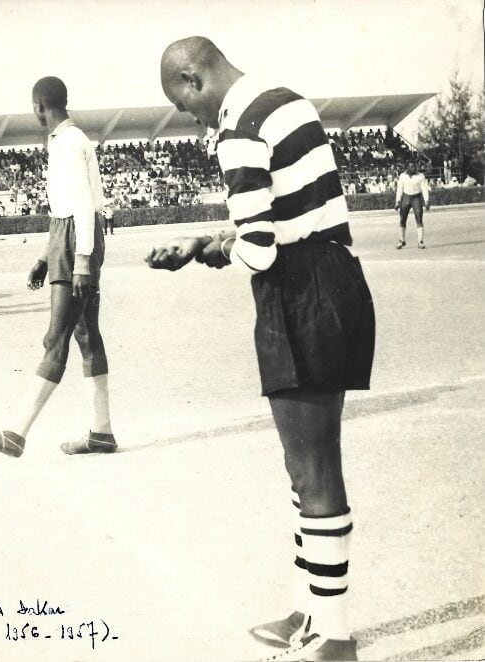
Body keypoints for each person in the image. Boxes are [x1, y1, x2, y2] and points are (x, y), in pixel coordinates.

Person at [152, 37, 375, 662]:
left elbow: (259, 247)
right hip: (335, 278)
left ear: (194, 80)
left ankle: (334, 640)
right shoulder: (285, 101)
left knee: (314, 472)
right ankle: (311, 612)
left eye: (188, 108)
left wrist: (211, 252)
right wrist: (207, 240)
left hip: (300, 293)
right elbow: (286, 217)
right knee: (304, 468)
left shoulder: (238, 129)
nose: (196, 123)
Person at [0, 76, 113, 459]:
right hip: (67, 238)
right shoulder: (68, 141)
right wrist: (44, 256)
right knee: (86, 336)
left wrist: (81, 258)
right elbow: (65, 208)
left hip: (76, 240)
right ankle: (101, 432)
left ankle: (16, 434)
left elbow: (82, 203)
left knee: (56, 338)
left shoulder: (67, 143)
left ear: (38, 105)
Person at [394, 162, 429, 249]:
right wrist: (397, 201)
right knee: (402, 219)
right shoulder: (402, 176)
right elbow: (400, 189)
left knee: (419, 219)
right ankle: (401, 240)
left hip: (416, 198)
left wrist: (426, 200)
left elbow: (424, 188)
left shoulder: (421, 176)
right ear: (407, 168)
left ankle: (420, 241)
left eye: (414, 166)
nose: (413, 168)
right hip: (406, 197)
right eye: (411, 166)